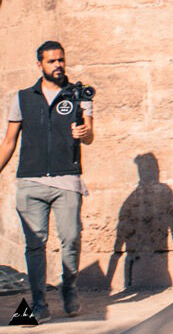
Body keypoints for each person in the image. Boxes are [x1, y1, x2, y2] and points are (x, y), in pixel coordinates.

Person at [0, 41, 94, 320]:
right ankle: (39, 303)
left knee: (71, 238)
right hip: (31, 181)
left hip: (67, 179)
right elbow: (8, 141)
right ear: (39, 64)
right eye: (51, 61)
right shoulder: (22, 98)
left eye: (61, 60)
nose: (58, 65)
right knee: (35, 245)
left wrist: (84, 133)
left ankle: (69, 286)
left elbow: (90, 136)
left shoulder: (78, 94)